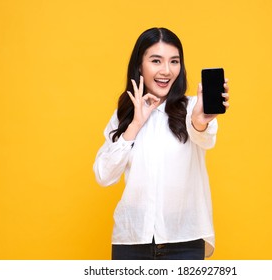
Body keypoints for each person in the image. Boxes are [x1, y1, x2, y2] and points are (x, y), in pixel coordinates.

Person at [93, 27, 229, 260]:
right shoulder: (124, 115)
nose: (166, 70)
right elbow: (104, 176)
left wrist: (199, 122)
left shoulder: (193, 108)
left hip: (184, 241)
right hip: (132, 240)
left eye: (174, 61)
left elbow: (205, 138)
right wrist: (135, 124)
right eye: (156, 60)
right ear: (139, 65)